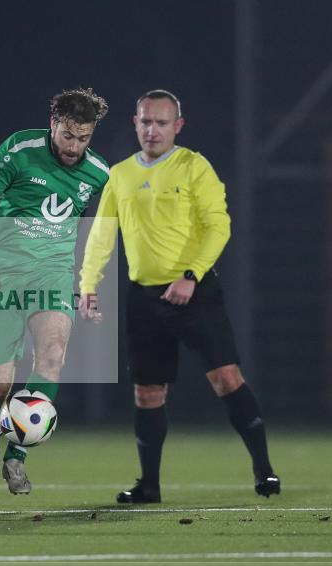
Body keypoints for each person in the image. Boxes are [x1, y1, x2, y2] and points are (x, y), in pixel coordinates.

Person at [79, 89, 280, 503]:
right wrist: (87, 284)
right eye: (146, 122)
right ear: (135, 123)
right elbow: (101, 233)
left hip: (195, 291)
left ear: (178, 126)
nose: (152, 130)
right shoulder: (119, 174)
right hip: (144, 298)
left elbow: (218, 225)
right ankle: (148, 486)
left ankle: (265, 471)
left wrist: (191, 275)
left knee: (226, 378)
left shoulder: (194, 167)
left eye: (161, 122)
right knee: (147, 392)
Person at [0, 88, 110, 494]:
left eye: (84, 138)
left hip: (52, 275)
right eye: (68, 136)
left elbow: (92, 235)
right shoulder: (19, 149)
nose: (74, 147)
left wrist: (88, 285)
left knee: (53, 357)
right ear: (53, 123)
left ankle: (17, 456)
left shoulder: (99, 174)